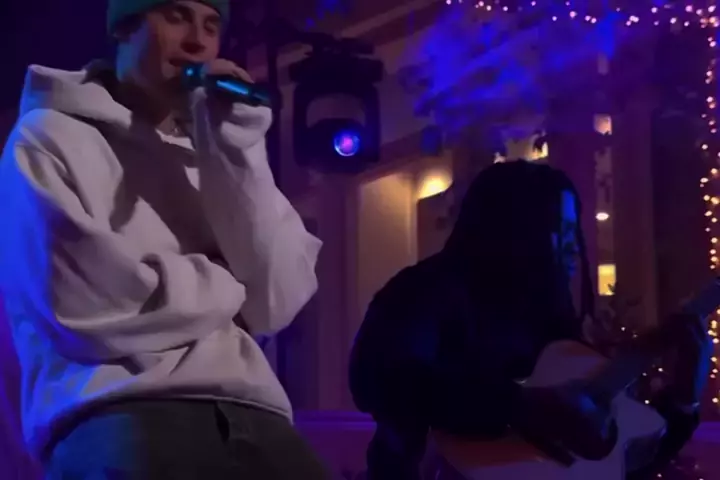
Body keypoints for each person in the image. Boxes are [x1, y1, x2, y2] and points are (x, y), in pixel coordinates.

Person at [0, 1, 328, 478]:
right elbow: (86, 304)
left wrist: (237, 149)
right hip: (121, 411)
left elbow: (277, 299)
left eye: (211, 25)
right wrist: (229, 283)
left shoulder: (213, 146)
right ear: (124, 28)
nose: (197, 41)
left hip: (257, 414)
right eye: (176, 17)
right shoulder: (47, 138)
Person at [349, 160, 710, 479]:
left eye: (574, 233)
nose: (573, 247)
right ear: (510, 227)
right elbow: (382, 380)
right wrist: (520, 407)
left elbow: (611, 468)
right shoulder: (427, 290)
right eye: (560, 230)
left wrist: (683, 399)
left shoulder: (554, 329)